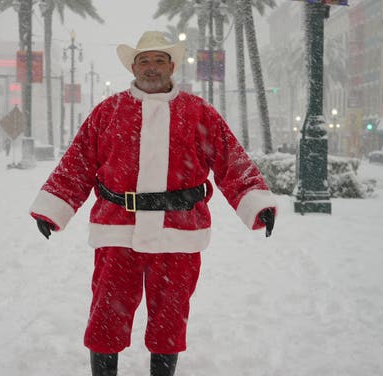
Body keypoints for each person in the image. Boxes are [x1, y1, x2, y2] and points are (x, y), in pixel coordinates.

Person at [29, 31, 277, 376]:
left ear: (171, 66)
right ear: (133, 66)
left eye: (159, 60)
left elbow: (229, 160)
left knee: (169, 318)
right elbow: (78, 162)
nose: (151, 67)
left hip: (179, 232)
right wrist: (53, 207)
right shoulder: (108, 111)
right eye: (144, 60)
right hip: (117, 228)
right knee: (106, 316)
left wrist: (255, 201)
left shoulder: (198, 112)